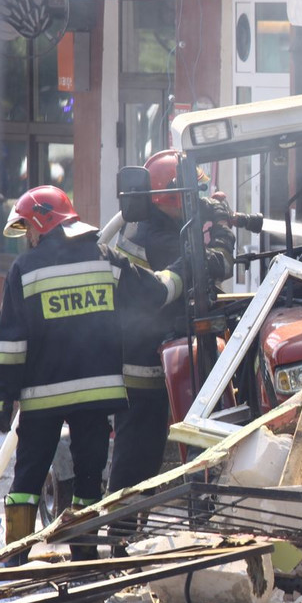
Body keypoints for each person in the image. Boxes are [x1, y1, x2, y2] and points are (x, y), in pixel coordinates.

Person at [0, 185, 185, 563]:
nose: (27, 238)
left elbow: (11, 343)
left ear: (40, 223)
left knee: (27, 481)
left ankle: (14, 560)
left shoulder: (24, 270)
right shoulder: (106, 258)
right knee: (88, 479)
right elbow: (154, 294)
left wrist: (4, 397)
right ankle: (84, 554)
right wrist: (185, 267)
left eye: (28, 229)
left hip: (42, 399)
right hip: (95, 397)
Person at [108, 150, 234, 495]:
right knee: (138, 457)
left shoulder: (156, 223)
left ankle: (129, 528)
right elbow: (214, 265)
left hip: (153, 350)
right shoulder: (157, 236)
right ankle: (118, 529)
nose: (201, 201)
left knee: (144, 457)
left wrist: (204, 210)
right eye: (194, 196)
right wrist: (222, 228)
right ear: (172, 198)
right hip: (143, 363)